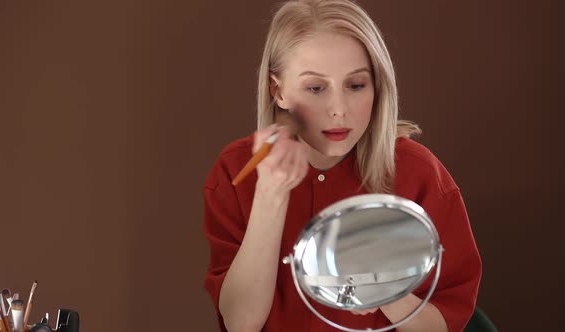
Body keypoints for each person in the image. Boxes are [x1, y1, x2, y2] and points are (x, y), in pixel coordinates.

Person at [203, 0, 482, 331]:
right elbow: (240, 324)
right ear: (277, 91)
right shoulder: (235, 171)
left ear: (377, 86)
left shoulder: (420, 174)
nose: (338, 109)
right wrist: (270, 195)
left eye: (356, 85)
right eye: (316, 88)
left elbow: (444, 325)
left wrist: (383, 289)